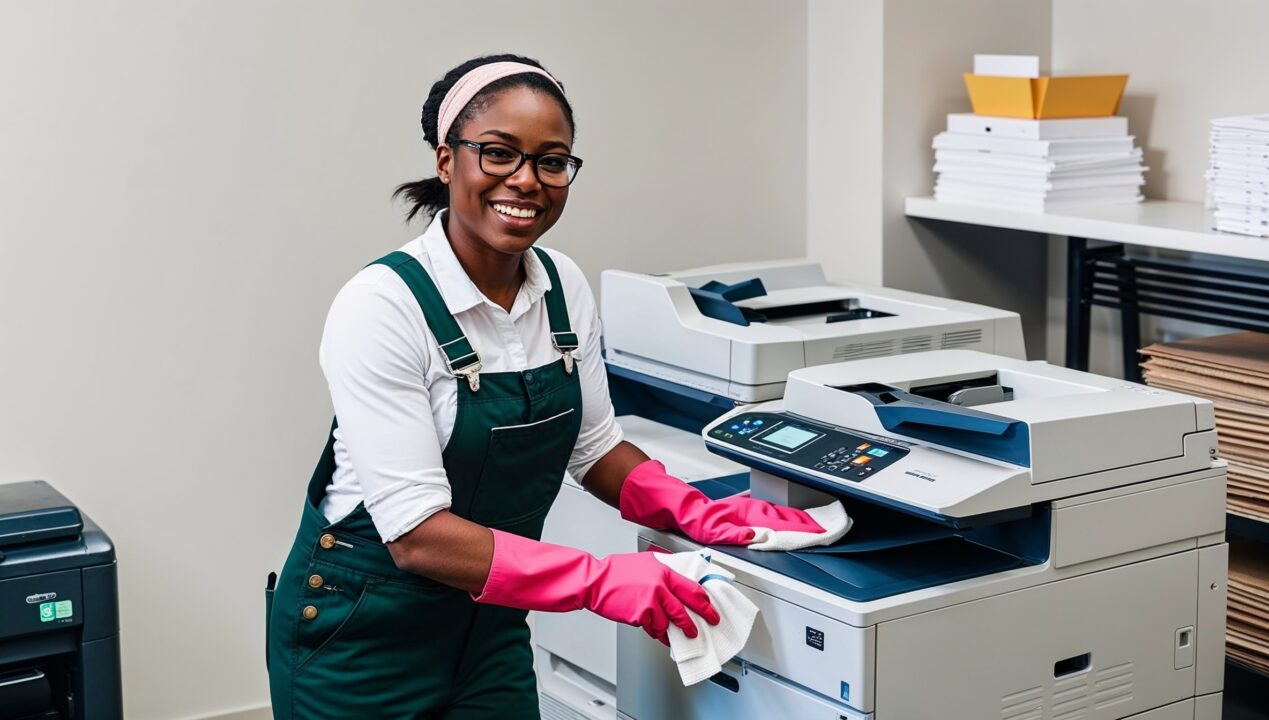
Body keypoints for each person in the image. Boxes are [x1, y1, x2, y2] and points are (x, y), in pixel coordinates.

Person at [265, 53, 825, 719]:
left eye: (551, 161)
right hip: (358, 638)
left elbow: (592, 448)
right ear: (447, 161)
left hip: (487, 631)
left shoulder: (561, 286)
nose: (526, 180)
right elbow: (415, 536)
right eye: (498, 154)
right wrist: (598, 579)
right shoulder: (382, 305)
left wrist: (693, 509)